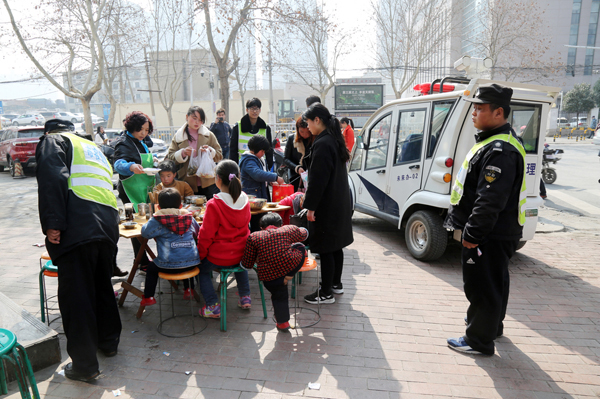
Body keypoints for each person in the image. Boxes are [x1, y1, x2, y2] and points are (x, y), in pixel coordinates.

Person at [36, 119, 121, 382]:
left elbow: (53, 179)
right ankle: (108, 342)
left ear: (49, 131)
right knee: (101, 286)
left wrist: (53, 223)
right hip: (107, 224)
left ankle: (85, 366)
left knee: (77, 296)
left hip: (78, 225)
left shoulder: (53, 141)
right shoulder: (91, 146)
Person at [444, 83, 527, 356]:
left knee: (482, 285)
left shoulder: (500, 150)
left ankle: (478, 340)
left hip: (489, 234)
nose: (474, 113)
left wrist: (472, 234)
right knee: (496, 281)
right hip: (500, 232)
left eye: (480, 108)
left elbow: (489, 201)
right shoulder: (498, 142)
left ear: (498, 112)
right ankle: (491, 326)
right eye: (474, 108)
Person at [301, 103, 354, 305]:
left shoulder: (323, 143)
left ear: (317, 120)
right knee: (335, 246)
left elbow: (318, 180)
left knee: (325, 247)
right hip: (338, 201)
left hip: (327, 204)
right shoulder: (333, 139)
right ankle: (335, 284)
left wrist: (311, 207)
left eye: (308, 122)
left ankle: (325, 292)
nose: (307, 127)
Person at [196, 160, 252, 318]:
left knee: (201, 269)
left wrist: (199, 257)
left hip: (218, 257)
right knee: (241, 265)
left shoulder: (214, 204)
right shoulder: (245, 200)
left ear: (218, 179)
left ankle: (213, 306)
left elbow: (205, 236)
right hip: (241, 253)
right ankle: (245, 297)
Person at [241, 213, 308, 332]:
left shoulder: (254, 236)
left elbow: (246, 265)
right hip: (288, 268)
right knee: (300, 247)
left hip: (268, 276)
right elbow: (304, 233)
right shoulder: (288, 229)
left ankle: (282, 322)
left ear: (261, 227)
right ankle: (290, 276)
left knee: (278, 295)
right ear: (281, 224)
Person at [139, 188, 200, 305]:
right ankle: (189, 289)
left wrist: (152, 218)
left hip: (167, 265)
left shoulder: (157, 220)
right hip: (193, 263)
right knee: (185, 256)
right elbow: (198, 232)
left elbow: (145, 233)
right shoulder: (189, 218)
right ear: (181, 206)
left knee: (151, 267)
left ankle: (149, 297)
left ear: (159, 208)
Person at [113, 111, 156, 272]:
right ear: (133, 127)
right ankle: (142, 261)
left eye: (146, 130)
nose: (144, 133)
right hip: (130, 191)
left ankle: (144, 259)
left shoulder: (141, 142)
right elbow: (118, 163)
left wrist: (155, 158)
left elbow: (144, 158)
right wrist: (130, 166)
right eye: (141, 130)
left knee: (144, 225)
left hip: (144, 189)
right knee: (136, 227)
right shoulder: (123, 143)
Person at [167, 106, 223, 199]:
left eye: (200, 120)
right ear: (187, 117)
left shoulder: (208, 135)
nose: (197, 122)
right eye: (194, 118)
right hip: (187, 183)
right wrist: (183, 153)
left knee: (210, 210)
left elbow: (219, 155)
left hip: (208, 182)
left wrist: (210, 151)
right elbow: (170, 157)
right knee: (191, 211)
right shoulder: (179, 137)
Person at [229, 98, 274, 172]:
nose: (255, 111)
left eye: (257, 109)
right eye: (252, 109)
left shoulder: (266, 128)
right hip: (243, 165)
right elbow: (233, 149)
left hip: (261, 165)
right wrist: (234, 167)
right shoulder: (238, 127)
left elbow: (269, 149)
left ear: (260, 110)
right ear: (247, 110)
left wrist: (269, 165)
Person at [240, 135, 284, 199]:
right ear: (256, 149)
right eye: (262, 151)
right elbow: (257, 174)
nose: (263, 153)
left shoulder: (258, 158)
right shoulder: (248, 161)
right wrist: (275, 177)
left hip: (260, 193)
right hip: (252, 196)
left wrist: (270, 181)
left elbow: (264, 172)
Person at [284, 117, 314, 192]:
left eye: (307, 132)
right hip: (295, 176)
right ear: (297, 129)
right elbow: (285, 159)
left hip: (311, 176)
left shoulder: (315, 139)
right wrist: (297, 168)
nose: (305, 134)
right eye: (301, 131)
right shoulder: (292, 139)